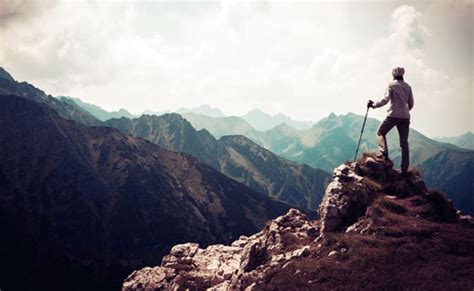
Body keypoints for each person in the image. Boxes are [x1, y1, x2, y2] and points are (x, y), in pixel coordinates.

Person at [367, 67, 414, 174]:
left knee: (380, 132)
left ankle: (384, 155)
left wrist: (374, 105)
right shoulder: (408, 86)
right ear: (403, 74)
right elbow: (411, 103)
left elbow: (385, 100)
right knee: (404, 143)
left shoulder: (391, 85)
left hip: (393, 115)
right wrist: (405, 111)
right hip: (406, 117)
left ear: (393, 74)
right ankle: (404, 169)